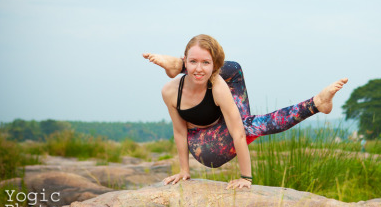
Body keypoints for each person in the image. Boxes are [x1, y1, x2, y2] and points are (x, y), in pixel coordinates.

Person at [143, 34, 348, 189]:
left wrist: (245, 177)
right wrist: (184, 171)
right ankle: (315, 104)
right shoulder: (170, 92)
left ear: (214, 66)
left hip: (228, 125)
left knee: (235, 71)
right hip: (207, 148)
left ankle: (175, 65)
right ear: (187, 60)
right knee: (248, 124)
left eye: (206, 62)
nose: (199, 68)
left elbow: (238, 132)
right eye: (192, 62)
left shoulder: (218, 84)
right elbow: (180, 132)